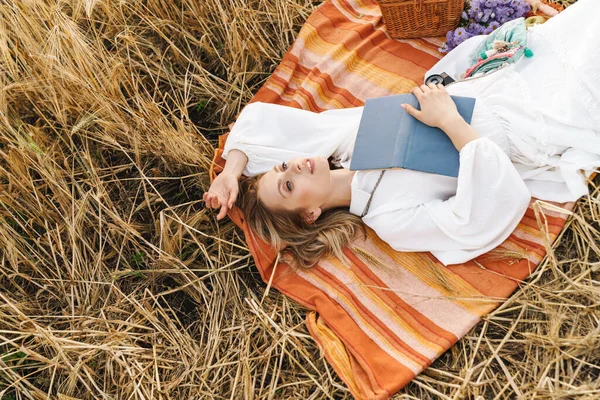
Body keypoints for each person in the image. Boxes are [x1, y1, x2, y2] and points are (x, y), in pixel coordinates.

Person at [204, 0, 600, 268]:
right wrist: (450, 122)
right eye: (288, 184)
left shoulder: (344, 141)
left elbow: (260, 126)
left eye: (282, 166)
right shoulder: (390, 220)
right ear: (311, 215)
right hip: (536, 124)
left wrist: (230, 172)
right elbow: (483, 215)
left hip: (507, 78)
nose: (293, 165)